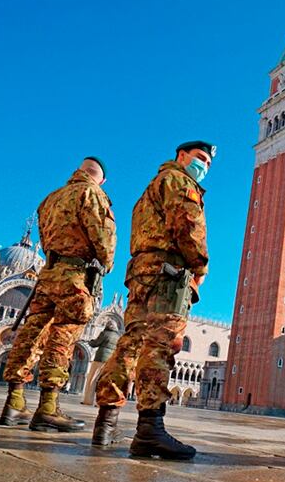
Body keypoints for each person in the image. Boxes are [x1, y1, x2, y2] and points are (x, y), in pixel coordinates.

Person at [90, 141, 214, 458]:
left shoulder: (149, 189)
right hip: (169, 275)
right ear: (181, 156)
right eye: (200, 158)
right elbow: (188, 228)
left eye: (208, 164)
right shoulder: (180, 182)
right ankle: (149, 429)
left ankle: (105, 423)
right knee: (160, 347)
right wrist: (200, 267)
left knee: (129, 344)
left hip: (141, 272)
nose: (204, 166)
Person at [0, 157, 116, 432]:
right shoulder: (92, 193)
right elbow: (104, 240)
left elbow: (45, 237)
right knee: (63, 336)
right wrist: (105, 264)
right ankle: (48, 408)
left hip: (47, 274)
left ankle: (14, 402)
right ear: (101, 179)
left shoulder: (50, 198)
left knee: (31, 333)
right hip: (73, 275)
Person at [81, 321, 121, 406]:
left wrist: (89, 342)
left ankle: (88, 400)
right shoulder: (118, 336)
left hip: (100, 358)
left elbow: (96, 343)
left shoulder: (105, 333)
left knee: (92, 378)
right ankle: (101, 402)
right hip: (110, 360)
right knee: (104, 381)